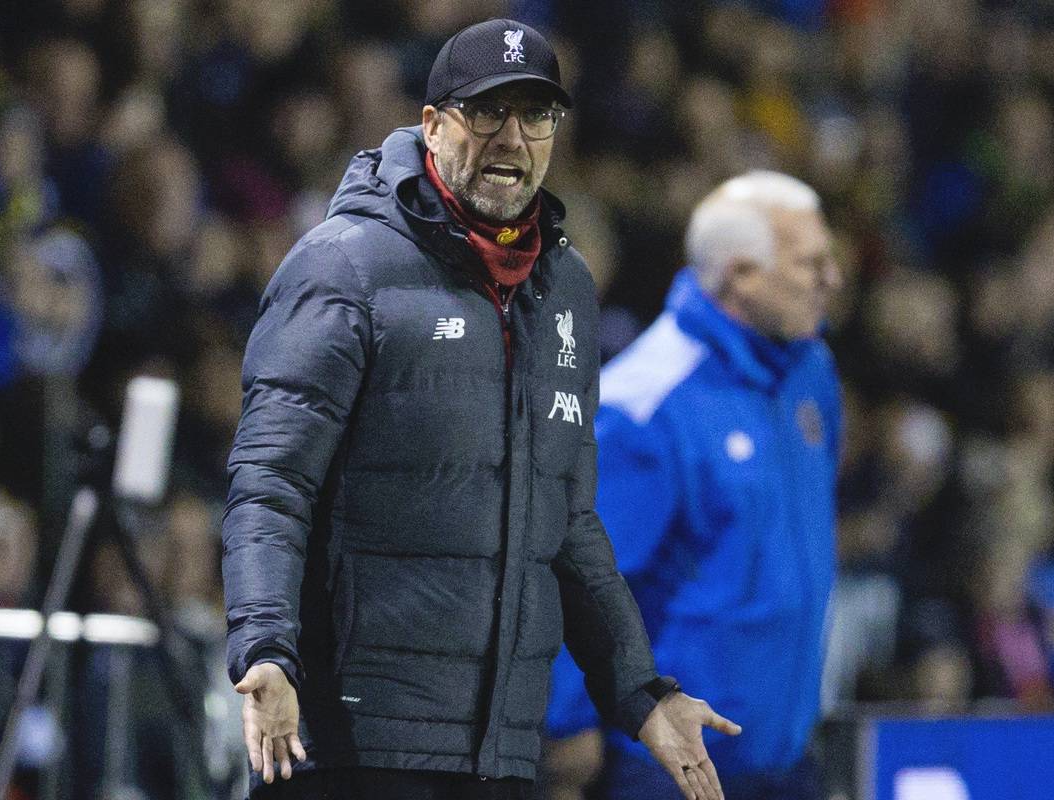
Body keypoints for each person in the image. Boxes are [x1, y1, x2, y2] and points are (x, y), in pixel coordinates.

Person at [221, 18, 741, 800]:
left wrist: (639, 694)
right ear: (432, 125)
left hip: (499, 749)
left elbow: (566, 521)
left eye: (535, 116)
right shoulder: (343, 267)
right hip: (355, 742)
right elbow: (270, 484)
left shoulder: (563, 287)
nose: (512, 138)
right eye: (486, 111)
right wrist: (263, 648)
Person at [543, 171, 843, 800]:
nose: (831, 280)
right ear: (740, 275)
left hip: (787, 759)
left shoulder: (811, 371)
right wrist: (564, 726)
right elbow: (581, 574)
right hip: (671, 772)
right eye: (810, 264)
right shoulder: (646, 407)